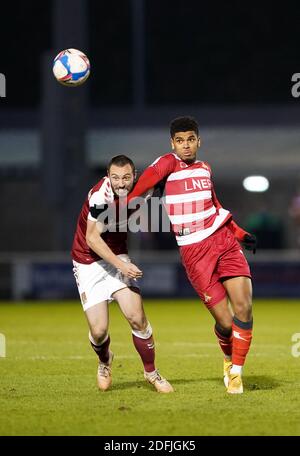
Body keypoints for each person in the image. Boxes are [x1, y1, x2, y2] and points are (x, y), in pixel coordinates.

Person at [126, 117, 257, 394]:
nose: (186, 145)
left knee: (243, 307)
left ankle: (236, 373)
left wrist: (240, 233)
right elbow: (136, 191)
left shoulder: (205, 169)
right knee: (224, 322)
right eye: (180, 141)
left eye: (191, 139)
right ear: (172, 143)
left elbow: (216, 205)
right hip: (195, 252)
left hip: (223, 241)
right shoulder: (166, 164)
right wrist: (120, 207)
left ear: (199, 141)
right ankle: (227, 357)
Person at [71, 155, 173, 393]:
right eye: (115, 178)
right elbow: (92, 239)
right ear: (108, 177)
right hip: (88, 260)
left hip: (117, 253)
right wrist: (121, 265)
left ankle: (151, 372)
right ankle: (105, 361)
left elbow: (166, 167)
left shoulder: (143, 187)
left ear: (134, 175)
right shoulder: (100, 197)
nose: (121, 183)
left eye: (126, 177)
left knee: (137, 317)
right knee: (98, 331)